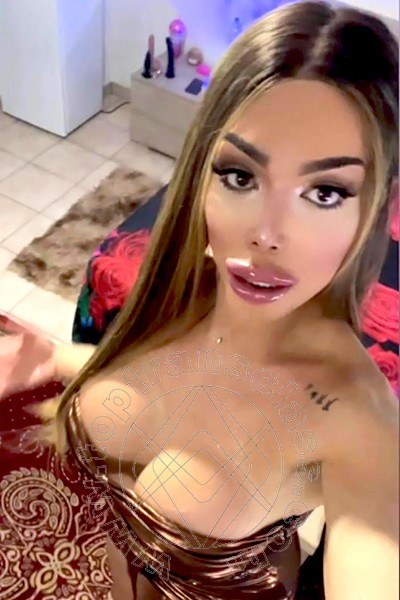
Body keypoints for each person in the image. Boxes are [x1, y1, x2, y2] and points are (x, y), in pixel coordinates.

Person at [0, 1, 398, 598]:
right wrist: (56, 359)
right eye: (241, 176)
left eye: (324, 192)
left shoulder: (356, 418)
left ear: (377, 204)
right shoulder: (178, 289)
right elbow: (165, 386)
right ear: (201, 174)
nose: (266, 235)